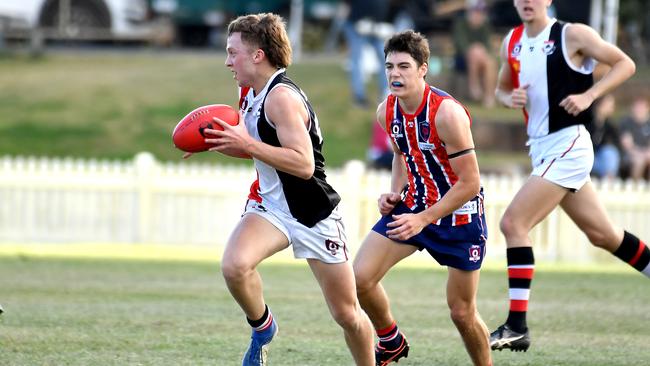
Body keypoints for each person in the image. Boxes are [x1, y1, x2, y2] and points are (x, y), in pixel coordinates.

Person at [193, 13, 375, 365]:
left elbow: (303, 165)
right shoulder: (249, 91)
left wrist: (247, 143)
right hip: (271, 207)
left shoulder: (282, 99)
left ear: (258, 55)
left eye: (233, 53)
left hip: (312, 212)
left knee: (347, 314)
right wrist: (218, 142)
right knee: (234, 266)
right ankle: (263, 327)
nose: (228, 61)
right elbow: (254, 147)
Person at [489, 0, 650, 353]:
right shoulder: (511, 41)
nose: (528, 1)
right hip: (542, 148)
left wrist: (590, 94)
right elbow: (500, 89)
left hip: (570, 143)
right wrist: (508, 97)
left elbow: (626, 63)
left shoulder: (572, 34)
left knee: (513, 224)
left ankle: (517, 325)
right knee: (602, 235)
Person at [353, 30, 492, 366]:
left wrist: (424, 218)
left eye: (403, 66)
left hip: (459, 216)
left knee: (461, 312)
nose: (395, 74)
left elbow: (471, 182)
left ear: (423, 69)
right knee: (358, 279)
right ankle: (391, 341)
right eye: (389, 66)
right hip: (414, 205)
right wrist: (396, 191)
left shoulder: (447, 114)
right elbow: (402, 154)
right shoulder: (386, 111)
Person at [342, 0, 392, 108]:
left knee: (386, 58)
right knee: (357, 59)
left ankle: (386, 93)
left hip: (377, 25)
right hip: (356, 23)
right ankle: (359, 97)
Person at [451, 0, 497, 107]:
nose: (478, 14)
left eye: (481, 12)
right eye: (476, 11)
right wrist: (473, 50)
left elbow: (487, 45)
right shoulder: (461, 24)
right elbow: (460, 45)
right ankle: (475, 88)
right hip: (462, 59)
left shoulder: (485, 25)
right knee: (474, 55)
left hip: (482, 58)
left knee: (490, 62)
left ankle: (488, 96)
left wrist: (480, 50)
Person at [588, 94, 621, 179]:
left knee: (610, 151)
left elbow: (616, 144)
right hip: (586, 157)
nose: (612, 108)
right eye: (609, 105)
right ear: (599, 105)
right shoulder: (586, 123)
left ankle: (609, 179)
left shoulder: (610, 126)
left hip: (601, 159)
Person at [619, 96, 650, 180]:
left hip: (645, 154)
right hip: (629, 155)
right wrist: (642, 154)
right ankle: (635, 186)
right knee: (639, 160)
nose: (639, 110)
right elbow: (627, 146)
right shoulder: (626, 123)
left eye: (641, 107)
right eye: (637, 107)